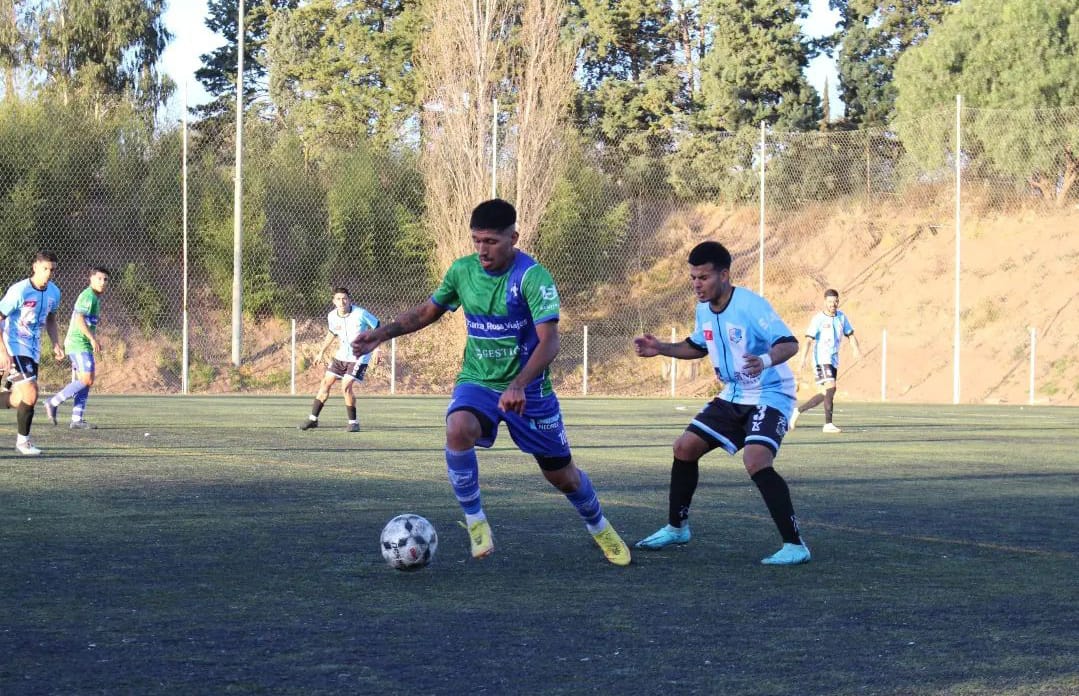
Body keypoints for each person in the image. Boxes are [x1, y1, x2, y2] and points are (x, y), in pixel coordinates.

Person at [350, 198, 631, 566]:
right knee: (458, 428)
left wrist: (519, 383)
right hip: (478, 380)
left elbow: (550, 342)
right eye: (477, 241)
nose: (482, 250)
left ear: (513, 238)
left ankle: (599, 527)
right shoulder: (462, 271)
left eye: (491, 242)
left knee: (563, 477)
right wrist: (381, 334)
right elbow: (426, 312)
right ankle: (476, 520)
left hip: (530, 390)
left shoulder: (533, 278)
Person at [633, 241, 810, 565]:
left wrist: (764, 360)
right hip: (733, 393)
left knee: (756, 459)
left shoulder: (751, 305)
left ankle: (795, 545)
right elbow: (697, 346)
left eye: (703, 277)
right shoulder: (703, 309)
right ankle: (677, 528)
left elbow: (790, 343)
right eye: (693, 278)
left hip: (770, 392)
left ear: (724, 275)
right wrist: (661, 348)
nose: (697, 284)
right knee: (684, 448)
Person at [0, 251, 65, 455]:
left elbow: (51, 319)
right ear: (35, 267)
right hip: (13, 345)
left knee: (21, 397)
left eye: (52, 270)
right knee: (31, 392)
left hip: (33, 349)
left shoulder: (54, 292)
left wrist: (55, 343)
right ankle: (23, 443)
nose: (48, 273)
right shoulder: (19, 291)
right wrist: (3, 352)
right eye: (45, 268)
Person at [299, 287, 380, 432]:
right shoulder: (332, 316)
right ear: (334, 301)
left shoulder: (360, 313)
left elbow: (377, 326)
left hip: (359, 356)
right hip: (341, 356)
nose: (341, 302)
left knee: (346, 385)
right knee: (325, 383)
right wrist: (321, 352)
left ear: (349, 300)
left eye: (344, 299)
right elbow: (332, 333)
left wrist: (377, 349)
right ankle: (313, 419)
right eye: (338, 299)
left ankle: (353, 423)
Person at [45, 266, 110, 429]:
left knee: (85, 381)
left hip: (82, 343)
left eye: (105, 279)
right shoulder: (88, 296)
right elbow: (79, 319)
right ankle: (53, 402)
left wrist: (92, 339)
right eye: (99, 278)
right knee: (87, 379)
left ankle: (76, 419)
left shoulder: (95, 298)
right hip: (78, 343)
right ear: (91, 279)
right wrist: (92, 339)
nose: (102, 282)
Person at [790, 288, 861, 433]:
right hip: (822, 358)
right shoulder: (818, 319)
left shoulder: (841, 317)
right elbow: (808, 340)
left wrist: (856, 349)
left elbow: (851, 335)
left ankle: (797, 411)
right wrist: (802, 359)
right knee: (831, 387)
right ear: (825, 302)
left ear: (838, 301)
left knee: (826, 392)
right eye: (829, 301)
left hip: (833, 359)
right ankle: (828, 424)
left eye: (835, 301)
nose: (832, 304)